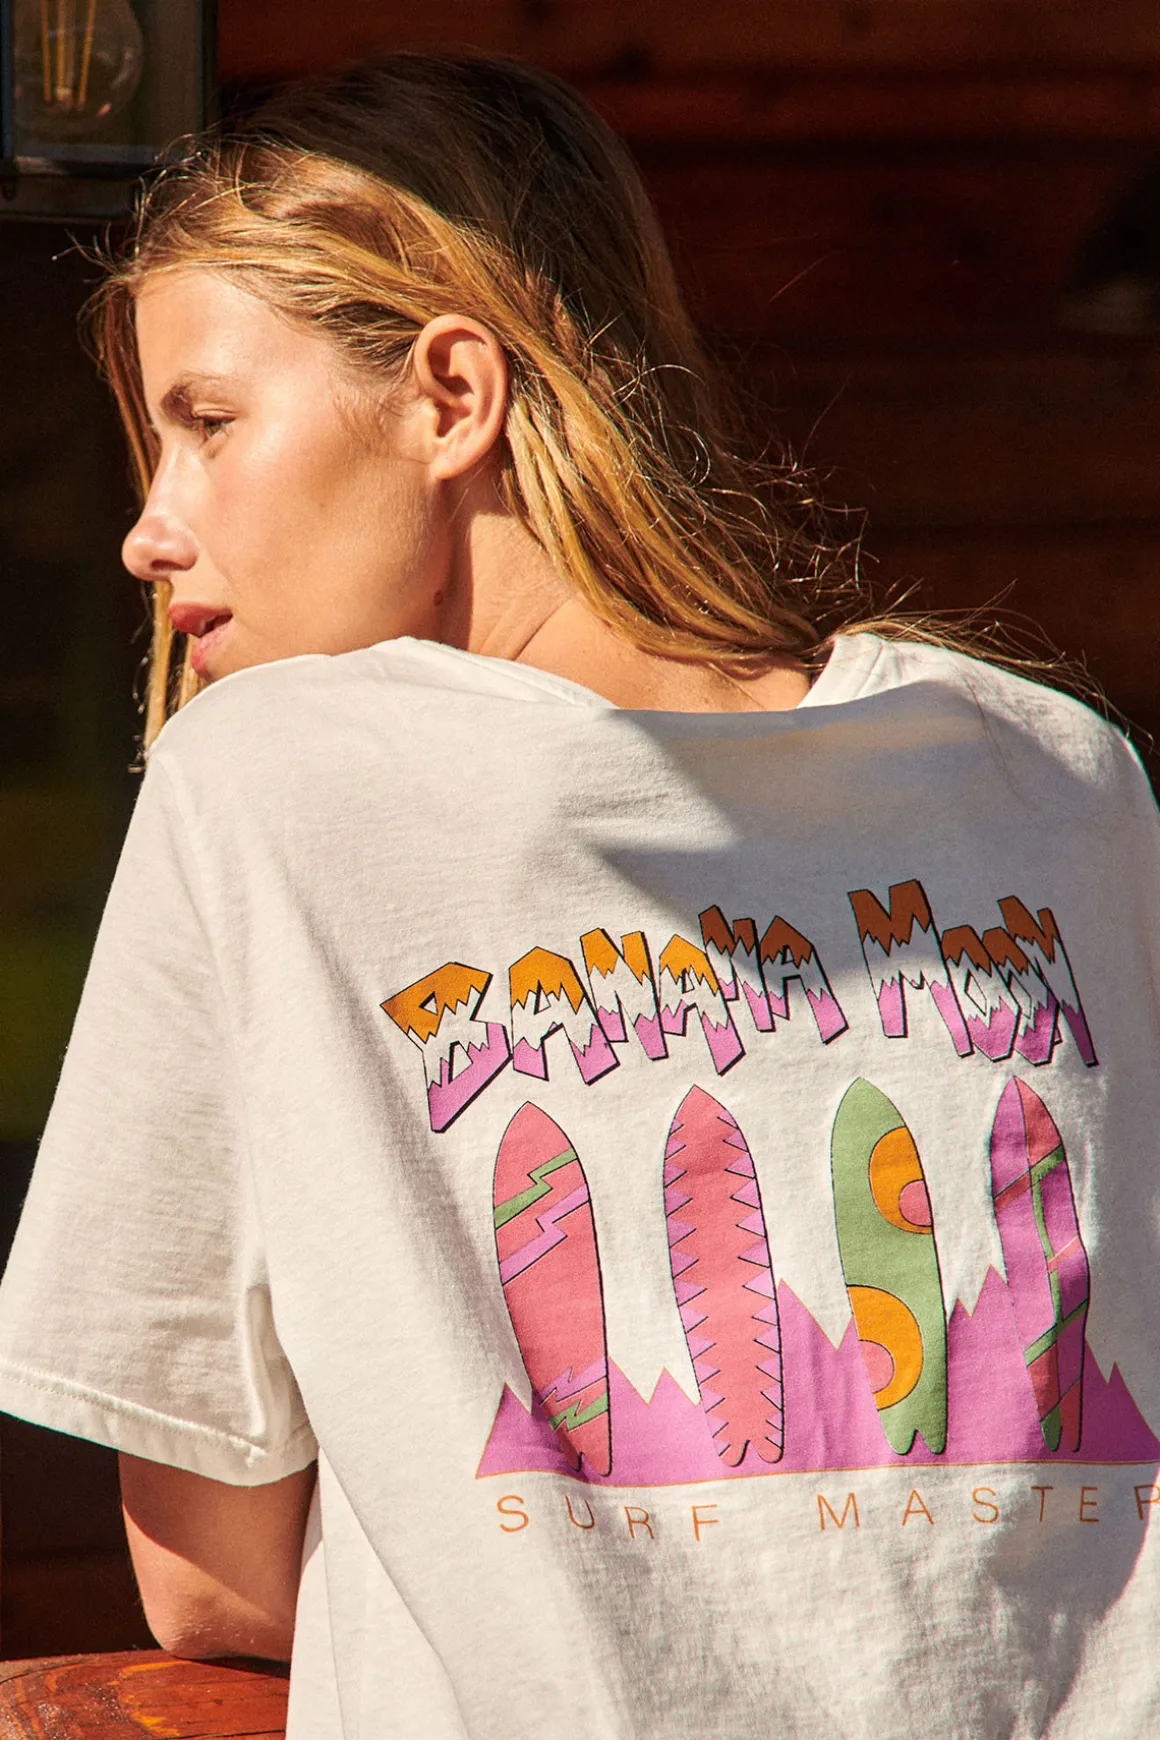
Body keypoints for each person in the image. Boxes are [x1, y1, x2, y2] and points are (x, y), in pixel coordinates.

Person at [0, 50, 1159, 1740]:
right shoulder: (1053, 769)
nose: (150, 530)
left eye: (209, 424)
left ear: (450, 396)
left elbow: (211, 1582)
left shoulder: (270, 777)